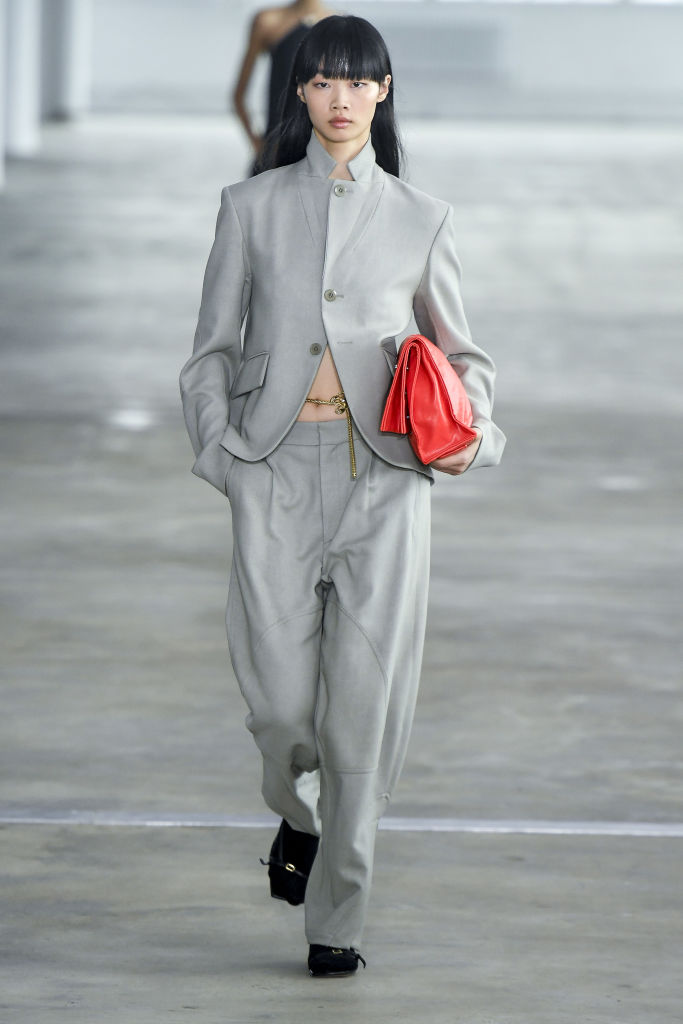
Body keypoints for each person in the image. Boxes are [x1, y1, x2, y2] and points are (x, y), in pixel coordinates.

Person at [180, 14, 505, 978]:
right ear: (299, 94)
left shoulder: (421, 216)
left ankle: (336, 925)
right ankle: (297, 816)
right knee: (281, 706)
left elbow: (464, 354)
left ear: (384, 90)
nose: (338, 99)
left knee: (364, 716)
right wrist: (223, 458)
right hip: (273, 473)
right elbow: (208, 353)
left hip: (385, 484)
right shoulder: (249, 205)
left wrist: (466, 437)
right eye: (320, 82)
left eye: (355, 83)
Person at [232, 0, 334, 169]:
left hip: (322, 160)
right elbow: (239, 96)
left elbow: (350, 99)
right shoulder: (268, 21)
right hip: (275, 157)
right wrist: (259, 146)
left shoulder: (341, 27)